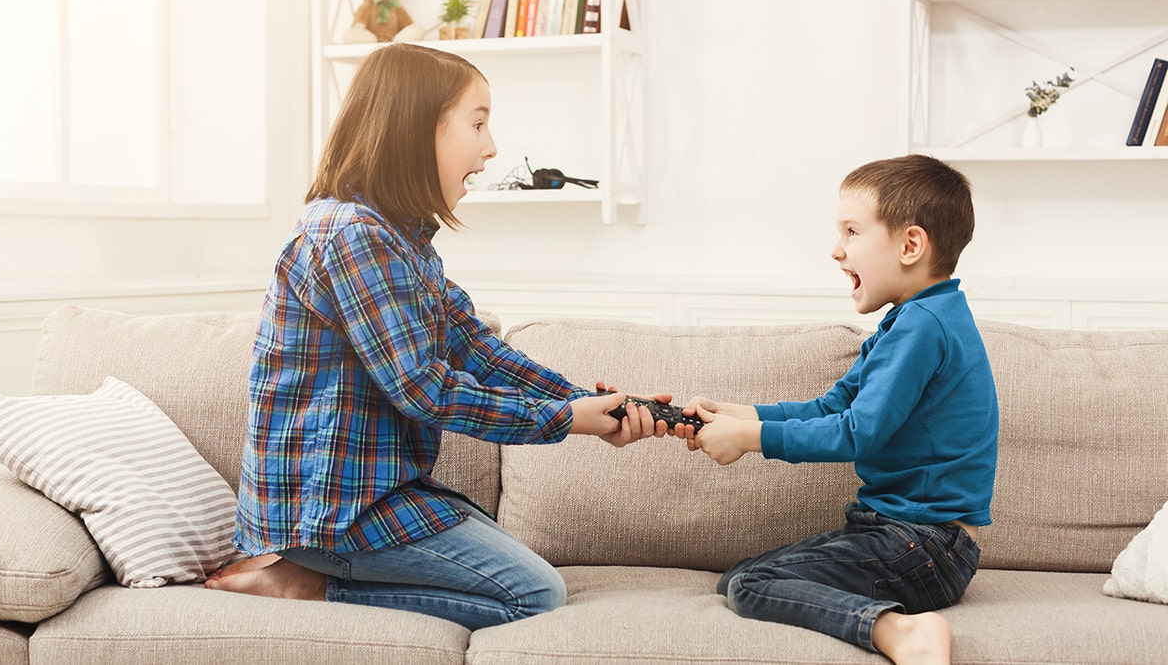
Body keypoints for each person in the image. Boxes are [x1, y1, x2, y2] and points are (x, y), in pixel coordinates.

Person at [205, 43, 670, 630]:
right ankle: (308, 584)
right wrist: (565, 419)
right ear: (416, 129)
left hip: (376, 494)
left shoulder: (400, 240)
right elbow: (425, 388)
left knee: (519, 574)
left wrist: (590, 401)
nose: (492, 147)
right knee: (534, 595)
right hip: (330, 510)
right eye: (477, 123)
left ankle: (319, 572)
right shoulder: (352, 236)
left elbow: (474, 349)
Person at [671, 154, 998, 665]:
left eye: (851, 232)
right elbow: (832, 405)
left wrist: (749, 439)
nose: (836, 250)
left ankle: (899, 632)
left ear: (911, 245)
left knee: (754, 585)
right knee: (738, 577)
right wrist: (741, 414)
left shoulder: (923, 327)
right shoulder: (910, 322)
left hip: (925, 548)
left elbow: (856, 433)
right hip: (901, 538)